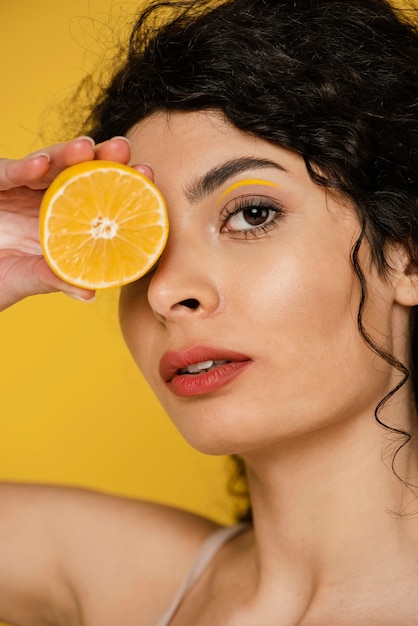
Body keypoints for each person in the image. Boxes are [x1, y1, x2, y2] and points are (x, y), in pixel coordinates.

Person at [0, 0, 417, 623]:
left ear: (405, 259)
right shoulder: (125, 584)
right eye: (144, 246)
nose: (166, 293)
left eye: (252, 214)